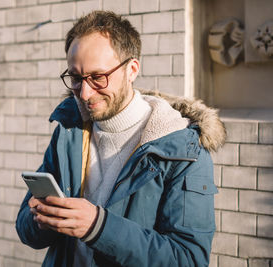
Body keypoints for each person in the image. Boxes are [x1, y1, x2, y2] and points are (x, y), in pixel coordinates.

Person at [16, 10, 226, 267]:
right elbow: (25, 230)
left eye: (97, 77)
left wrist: (98, 226)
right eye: (76, 77)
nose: (84, 93)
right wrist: (43, 219)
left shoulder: (184, 149)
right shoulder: (69, 131)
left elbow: (188, 259)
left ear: (132, 69)